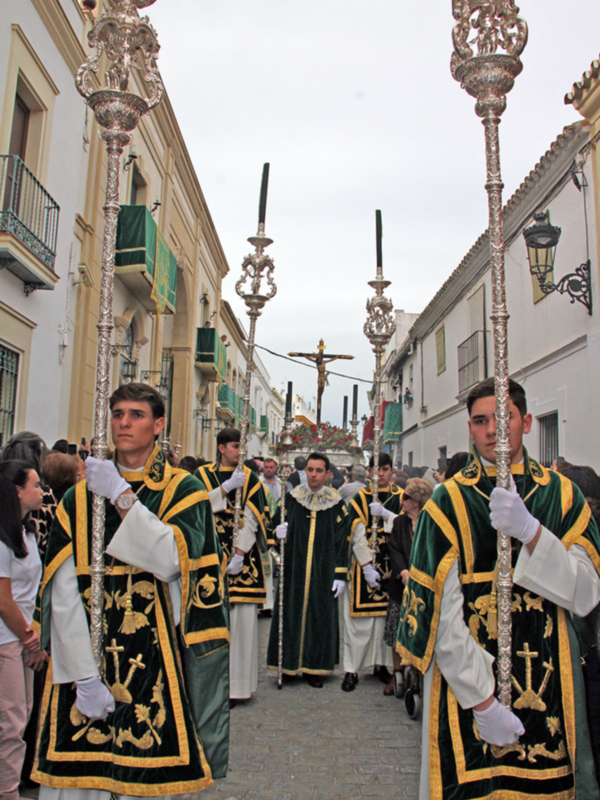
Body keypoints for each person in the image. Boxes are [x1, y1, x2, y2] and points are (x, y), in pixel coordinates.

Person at [397, 377, 600, 799]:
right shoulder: (446, 503)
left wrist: (532, 533)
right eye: (480, 421)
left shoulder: (562, 497)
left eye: (504, 417)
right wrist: (483, 701)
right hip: (468, 696)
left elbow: (585, 595)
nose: (493, 430)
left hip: (551, 692)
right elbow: (443, 619)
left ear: (526, 422)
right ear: (469, 429)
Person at [32, 383, 229, 797]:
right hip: (85, 659)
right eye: (118, 413)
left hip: (157, 659)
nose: (124, 423)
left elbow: (171, 562)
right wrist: (82, 676)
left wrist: (121, 497)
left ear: (158, 425)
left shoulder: (183, 490)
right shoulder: (77, 500)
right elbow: (65, 593)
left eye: (137, 415)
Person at [196, 428, 269, 703]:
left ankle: (238, 687)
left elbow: (253, 517)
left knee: (241, 626)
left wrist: (240, 554)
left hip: (242, 564)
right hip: (210, 557)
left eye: (242, 446)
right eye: (235, 446)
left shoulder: (250, 479)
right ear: (221, 448)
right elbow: (193, 507)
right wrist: (225, 489)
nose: (240, 451)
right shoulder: (202, 476)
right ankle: (210, 688)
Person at [267, 452, 350, 687]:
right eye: (310, 470)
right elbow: (273, 525)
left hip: (323, 572)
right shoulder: (291, 499)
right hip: (294, 568)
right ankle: (289, 665)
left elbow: (342, 540)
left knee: (319, 618)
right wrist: (277, 533)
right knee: (290, 615)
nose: (313, 475)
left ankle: (315, 668)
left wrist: (340, 575)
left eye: (318, 471)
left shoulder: (336, 504)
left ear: (327, 474)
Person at [0, 460, 47, 800]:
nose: (42, 490)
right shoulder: (2, 540)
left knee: (22, 713)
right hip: (7, 638)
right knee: (12, 721)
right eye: (35, 484)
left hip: (20, 635)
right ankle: (7, 790)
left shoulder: (27, 531)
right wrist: (30, 641)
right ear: (17, 491)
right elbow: (4, 600)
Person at [341, 452, 403, 692]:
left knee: (386, 621)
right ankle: (352, 669)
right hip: (365, 565)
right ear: (368, 471)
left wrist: (388, 516)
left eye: (384, 469)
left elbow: (412, 523)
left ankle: (383, 665)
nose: (379, 474)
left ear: (390, 470)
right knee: (360, 622)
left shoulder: (400, 496)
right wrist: (366, 565)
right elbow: (356, 532)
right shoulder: (360, 498)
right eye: (375, 470)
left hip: (393, 565)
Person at [384, 477, 432, 696]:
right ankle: (397, 675)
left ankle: (419, 676)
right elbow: (393, 548)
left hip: (424, 588)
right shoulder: (400, 522)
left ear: (417, 501)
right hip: (400, 586)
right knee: (396, 630)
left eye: (406, 496)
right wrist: (403, 571)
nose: (401, 500)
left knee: (420, 630)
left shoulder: (431, 521)